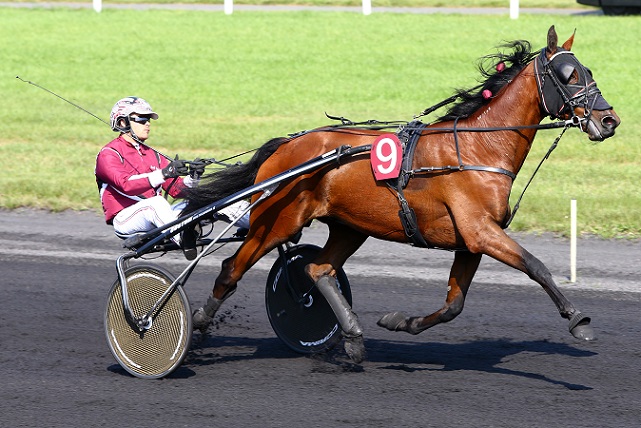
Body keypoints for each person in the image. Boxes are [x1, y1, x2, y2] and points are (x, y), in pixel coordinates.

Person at [95, 96, 249, 259]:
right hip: (126, 220)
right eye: (141, 119)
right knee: (157, 202)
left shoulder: (153, 155)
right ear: (122, 123)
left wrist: (194, 176)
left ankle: (258, 222)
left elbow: (177, 191)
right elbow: (126, 185)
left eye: (148, 119)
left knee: (212, 198)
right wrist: (164, 173)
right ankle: (184, 238)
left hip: (160, 217)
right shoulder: (108, 154)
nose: (147, 123)